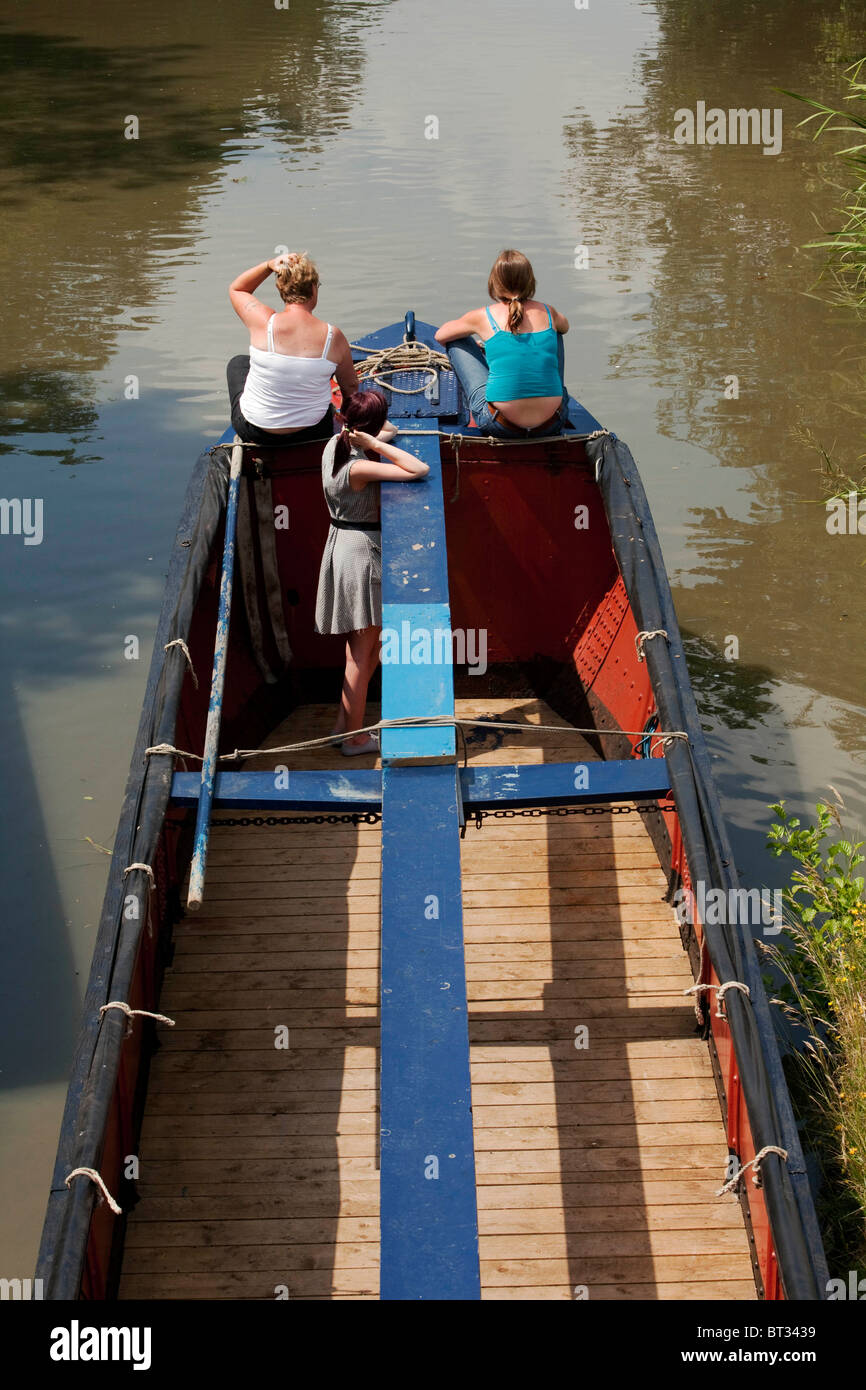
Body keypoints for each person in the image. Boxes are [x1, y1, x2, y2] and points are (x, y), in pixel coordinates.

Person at [315, 389, 429, 756]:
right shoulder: (360, 467)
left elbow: (388, 430)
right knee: (363, 657)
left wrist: (369, 437)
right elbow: (417, 469)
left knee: (361, 654)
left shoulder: (335, 445)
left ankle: (341, 728)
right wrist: (377, 441)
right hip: (362, 556)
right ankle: (355, 739)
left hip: (339, 546)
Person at [434, 248, 570, 437]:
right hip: (552, 422)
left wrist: (478, 337)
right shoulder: (549, 312)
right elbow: (566, 326)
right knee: (556, 333)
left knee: (457, 341)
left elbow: (441, 335)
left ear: (494, 283)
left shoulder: (482, 316)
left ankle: (475, 408)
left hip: (500, 425)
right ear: (530, 281)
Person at [227, 252, 359, 445]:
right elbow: (350, 387)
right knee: (324, 368)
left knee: (238, 363)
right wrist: (350, 423)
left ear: (281, 290)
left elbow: (237, 289)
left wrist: (268, 265)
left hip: (256, 431)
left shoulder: (263, 322)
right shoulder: (334, 336)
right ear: (314, 289)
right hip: (314, 432)